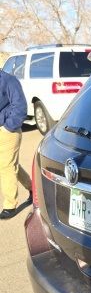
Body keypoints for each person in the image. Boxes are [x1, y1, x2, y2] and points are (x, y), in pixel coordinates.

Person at [0, 69, 30, 220]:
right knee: (11, 165)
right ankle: (32, 188)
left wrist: (8, 126)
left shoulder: (8, 80)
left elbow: (20, 106)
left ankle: (10, 205)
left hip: (8, 131)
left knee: (6, 166)